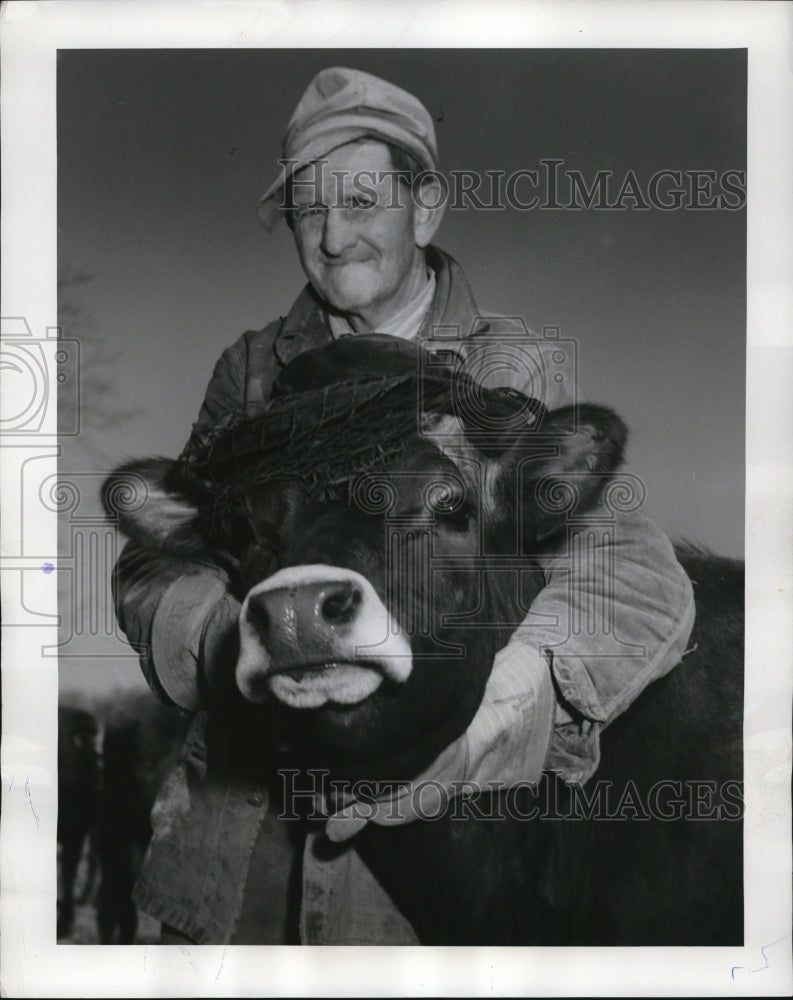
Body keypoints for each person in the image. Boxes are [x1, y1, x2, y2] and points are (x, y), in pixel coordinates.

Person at [113, 67, 696, 945]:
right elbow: (157, 563)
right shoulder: (254, 372)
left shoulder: (509, 367)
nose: (335, 236)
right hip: (247, 838)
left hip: (444, 849)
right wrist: (238, 637)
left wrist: (490, 730)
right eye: (310, 209)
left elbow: (629, 575)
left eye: (362, 200)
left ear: (426, 207)